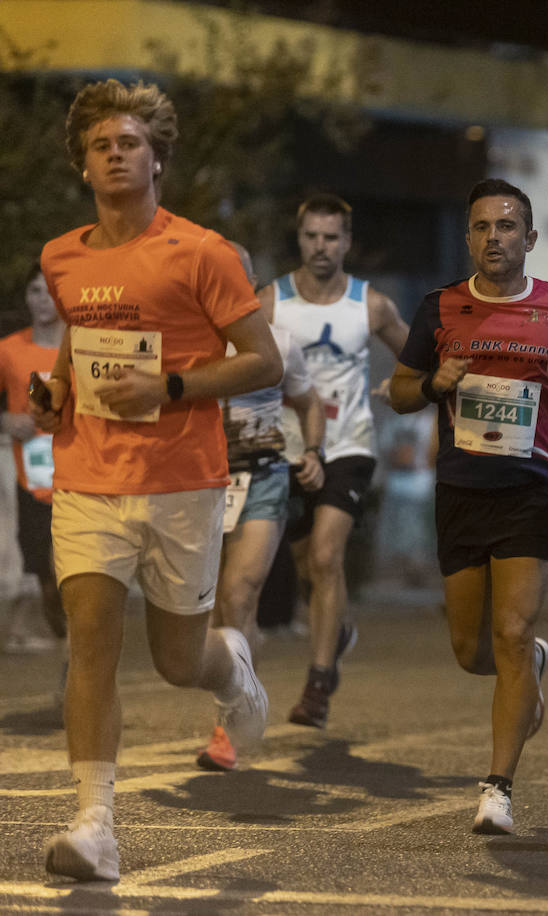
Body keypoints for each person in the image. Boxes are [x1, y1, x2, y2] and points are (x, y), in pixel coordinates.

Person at [29, 79, 282, 882]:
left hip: (182, 478)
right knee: (90, 644)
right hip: (88, 476)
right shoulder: (62, 255)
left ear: (156, 157)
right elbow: (79, 333)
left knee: (177, 659)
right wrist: (57, 391)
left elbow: (263, 359)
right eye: (101, 145)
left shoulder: (200, 252)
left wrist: (170, 387)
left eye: (129, 142)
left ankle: (230, 667)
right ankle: (94, 826)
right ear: (83, 164)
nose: (114, 154)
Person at [390, 179, 548, 835]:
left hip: (533, 486)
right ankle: (530, 664)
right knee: (472, 649)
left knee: (511, 631)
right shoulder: (439, 308)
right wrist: (434, 382)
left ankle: (498, 788)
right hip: (461, 486)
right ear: (468, 238)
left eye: (508, 226)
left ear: (531, 239)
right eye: (483, 226)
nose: (495, 238)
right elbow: (402, 391)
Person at [263, 193, 410, 729]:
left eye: (331, 237)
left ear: (346, 242)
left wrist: (403, 384)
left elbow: (418, 356)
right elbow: (246, 362)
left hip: (349, 446)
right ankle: (339, 630)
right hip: (288, 450)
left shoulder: (370, 304)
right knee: (306, 566)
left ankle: (319, 684)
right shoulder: (271, 302)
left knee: (326, 559)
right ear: (299, 238)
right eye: (311, 237)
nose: (320, 247)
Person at [195, 242, 325, 772]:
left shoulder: (278, 342)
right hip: (202, 483)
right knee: (214, 610)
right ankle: (241, 695)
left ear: (250, 283)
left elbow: (309, 401)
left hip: (264, 478)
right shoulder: (188, 341)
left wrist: (313, 450)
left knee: (238, 594)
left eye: (237, 274)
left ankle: (229, 728)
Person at [0, 263, 66, 657]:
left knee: (68, 572)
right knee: (46, 577)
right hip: (29, 481)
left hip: (79, 476)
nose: (42, 300)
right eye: (34, 291)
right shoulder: (9, 350)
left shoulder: (82, 348)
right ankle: (64, 644)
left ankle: (77, 663)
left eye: (50, 291)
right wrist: (5, 419)